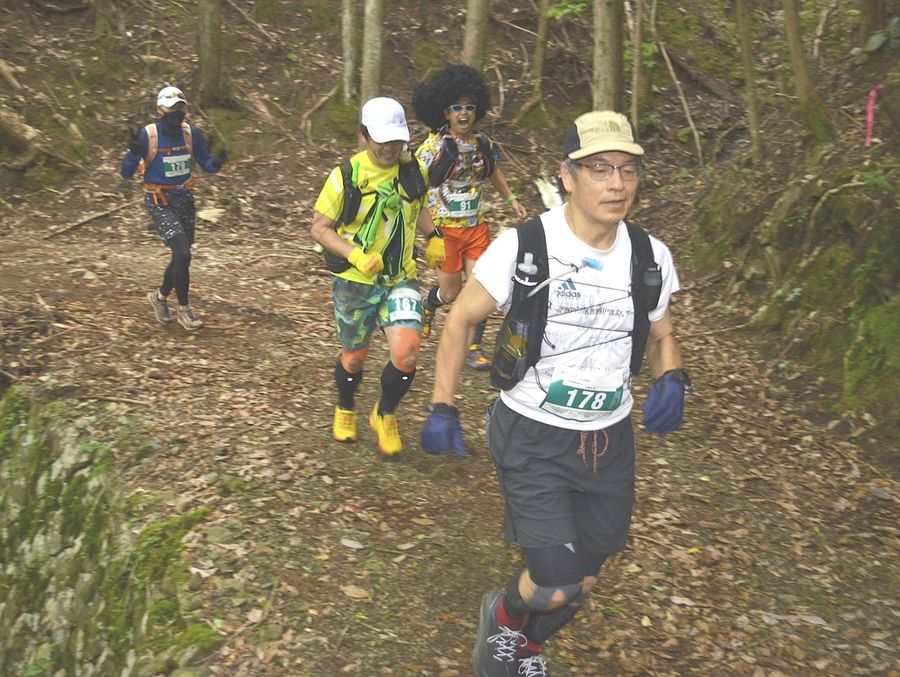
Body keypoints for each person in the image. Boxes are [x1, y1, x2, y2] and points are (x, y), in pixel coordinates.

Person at [420, 111, 691, 676]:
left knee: (583, 580)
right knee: (557, 580)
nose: (616, 184)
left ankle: (528, 644)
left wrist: (672, 377)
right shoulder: (524, 246)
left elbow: (663, 334)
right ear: (567, 176)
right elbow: (461, 320)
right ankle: (502, 617)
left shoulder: (650, 256)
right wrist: (443, 404)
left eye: (627, 170)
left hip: (608, 439)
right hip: (533, 432)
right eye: (599, 169)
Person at [311, 96, 445, 457]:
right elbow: (320, 229)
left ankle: (384, 414)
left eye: (396, 140)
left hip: (400, 277)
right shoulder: (346, 177)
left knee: (408, 353)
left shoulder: (410, 168)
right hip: (356, 281)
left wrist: (433, 237)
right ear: (364, 136)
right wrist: (354, 253)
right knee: (354, 357)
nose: (390, 148)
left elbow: (417, 206)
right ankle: (345, 406)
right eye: (382, 140)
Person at [411, 64, 528, 371]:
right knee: (451, 292)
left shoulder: (482, 145)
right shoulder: (433, 146)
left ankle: (473, 346)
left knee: (482, 286)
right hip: (444, 231)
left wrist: (512, 199)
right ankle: (429, 303)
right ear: (445, 113)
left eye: (469, 107)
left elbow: (495, 173)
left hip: (476, 228)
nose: (464, 114)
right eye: (456, 108)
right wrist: (415, 223)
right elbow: (413, 184)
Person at [121, 85, 227, 330]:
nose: (176, 113)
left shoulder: (192, 134)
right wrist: (132, 152)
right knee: (183, 254)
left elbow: (206, 165)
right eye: (171, 109)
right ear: (160, 109)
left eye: (180, 108)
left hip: (185, 200)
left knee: (181, 257)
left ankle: (159, 298)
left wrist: (218, 161)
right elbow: (126, 174)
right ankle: (184, 310)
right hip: (160, 202)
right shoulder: (148, 135)